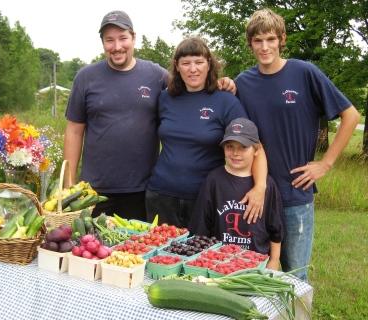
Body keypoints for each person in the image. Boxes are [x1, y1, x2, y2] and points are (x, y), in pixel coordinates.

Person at [64, 11, 236, 220]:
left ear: (133, 38)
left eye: (123, 38)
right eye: (110, 40)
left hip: (142, 189)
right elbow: (74, 131)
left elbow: (191, 84)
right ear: (102, 43)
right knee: (90, 250)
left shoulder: (156, 75)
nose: (117, 46)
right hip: (93, 190)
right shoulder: (86, 77)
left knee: (134, 250)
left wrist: (220, 83)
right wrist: (69, 183)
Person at [235, 8, 361, 280]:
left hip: (295, 193)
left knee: (295, 277)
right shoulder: (243, 83)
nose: (265, 46)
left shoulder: (305, 72)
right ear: (250, 44)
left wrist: (326, 164)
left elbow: (350, 115)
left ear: (282, 39)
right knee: (252, 274)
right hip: (256, 195)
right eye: (258, 41)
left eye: (270, 39)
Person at [146, 37, 268, 228]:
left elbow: (255, 147)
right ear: (177, 67)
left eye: (199, 62)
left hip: (206, 196)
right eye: (185, 63)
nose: (192, 69)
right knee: (159, 256)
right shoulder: (165, 98)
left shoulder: (226, 101)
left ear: (209, 64)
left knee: (200, 256)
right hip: (161, 195)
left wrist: (260, 188)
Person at [189, 118, 283, 270]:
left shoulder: (266, 185)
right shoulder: (214, 180)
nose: (235, 153)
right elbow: (202, 226)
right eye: (229, 146)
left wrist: (274, 260)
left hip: (256, 263)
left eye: (243, 147)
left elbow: (276, 228)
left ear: (257, 150)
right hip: (219, 263)